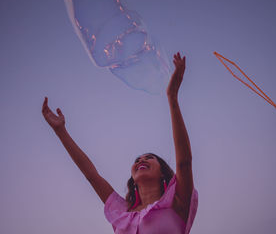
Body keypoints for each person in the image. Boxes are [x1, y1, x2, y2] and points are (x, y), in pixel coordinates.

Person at [42, 52, 198, 234]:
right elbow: (91, 175)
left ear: (163, 172)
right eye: (138, 159)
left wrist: (172, 97)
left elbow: (184, 163)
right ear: (132, 178)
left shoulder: (178, 201)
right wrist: (61, 131)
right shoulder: (121, 212)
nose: (141, 160)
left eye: (149, 158)